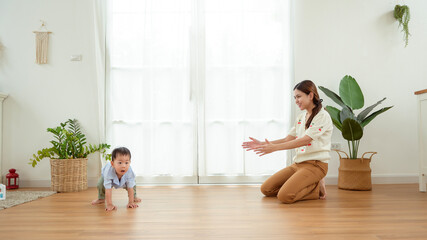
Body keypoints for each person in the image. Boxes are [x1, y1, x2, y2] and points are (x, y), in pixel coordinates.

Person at [242, 80, 332, 204]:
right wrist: (264, 144)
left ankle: (315, 188)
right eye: (295, 97)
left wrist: (274, 148)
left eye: (299, 96)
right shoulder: (301, 117)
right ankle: (307, 183)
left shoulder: (322, 116)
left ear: (310, 95)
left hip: (316, 165)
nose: (296, 101)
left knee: (285, 196)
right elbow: (287, 139)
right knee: (266, 189)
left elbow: (305, 140)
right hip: (298, 164)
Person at [91, 147, 141, 211]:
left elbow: (130, 188)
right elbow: (108, 189)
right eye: (120, 163)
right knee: (100, 184)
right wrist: (109, 204)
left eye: (126, 163)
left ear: (129, 162)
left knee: (132, 183)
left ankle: (134, 197)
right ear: (112, 164)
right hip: (108, 179)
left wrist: (131, 202)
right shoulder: (108, 171)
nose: (123, 166)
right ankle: (101, 198)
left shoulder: (129, 171)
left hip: (124, 180)